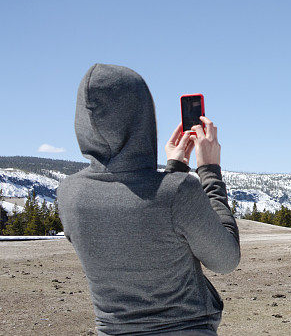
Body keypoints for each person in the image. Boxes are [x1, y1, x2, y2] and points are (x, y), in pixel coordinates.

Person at [57, 64, 240, 335]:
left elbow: (141, 221)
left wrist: (174, 169)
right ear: (143, 118)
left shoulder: (68, 194)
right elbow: (226, 260)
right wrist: (210, 171)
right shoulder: (179, 192)